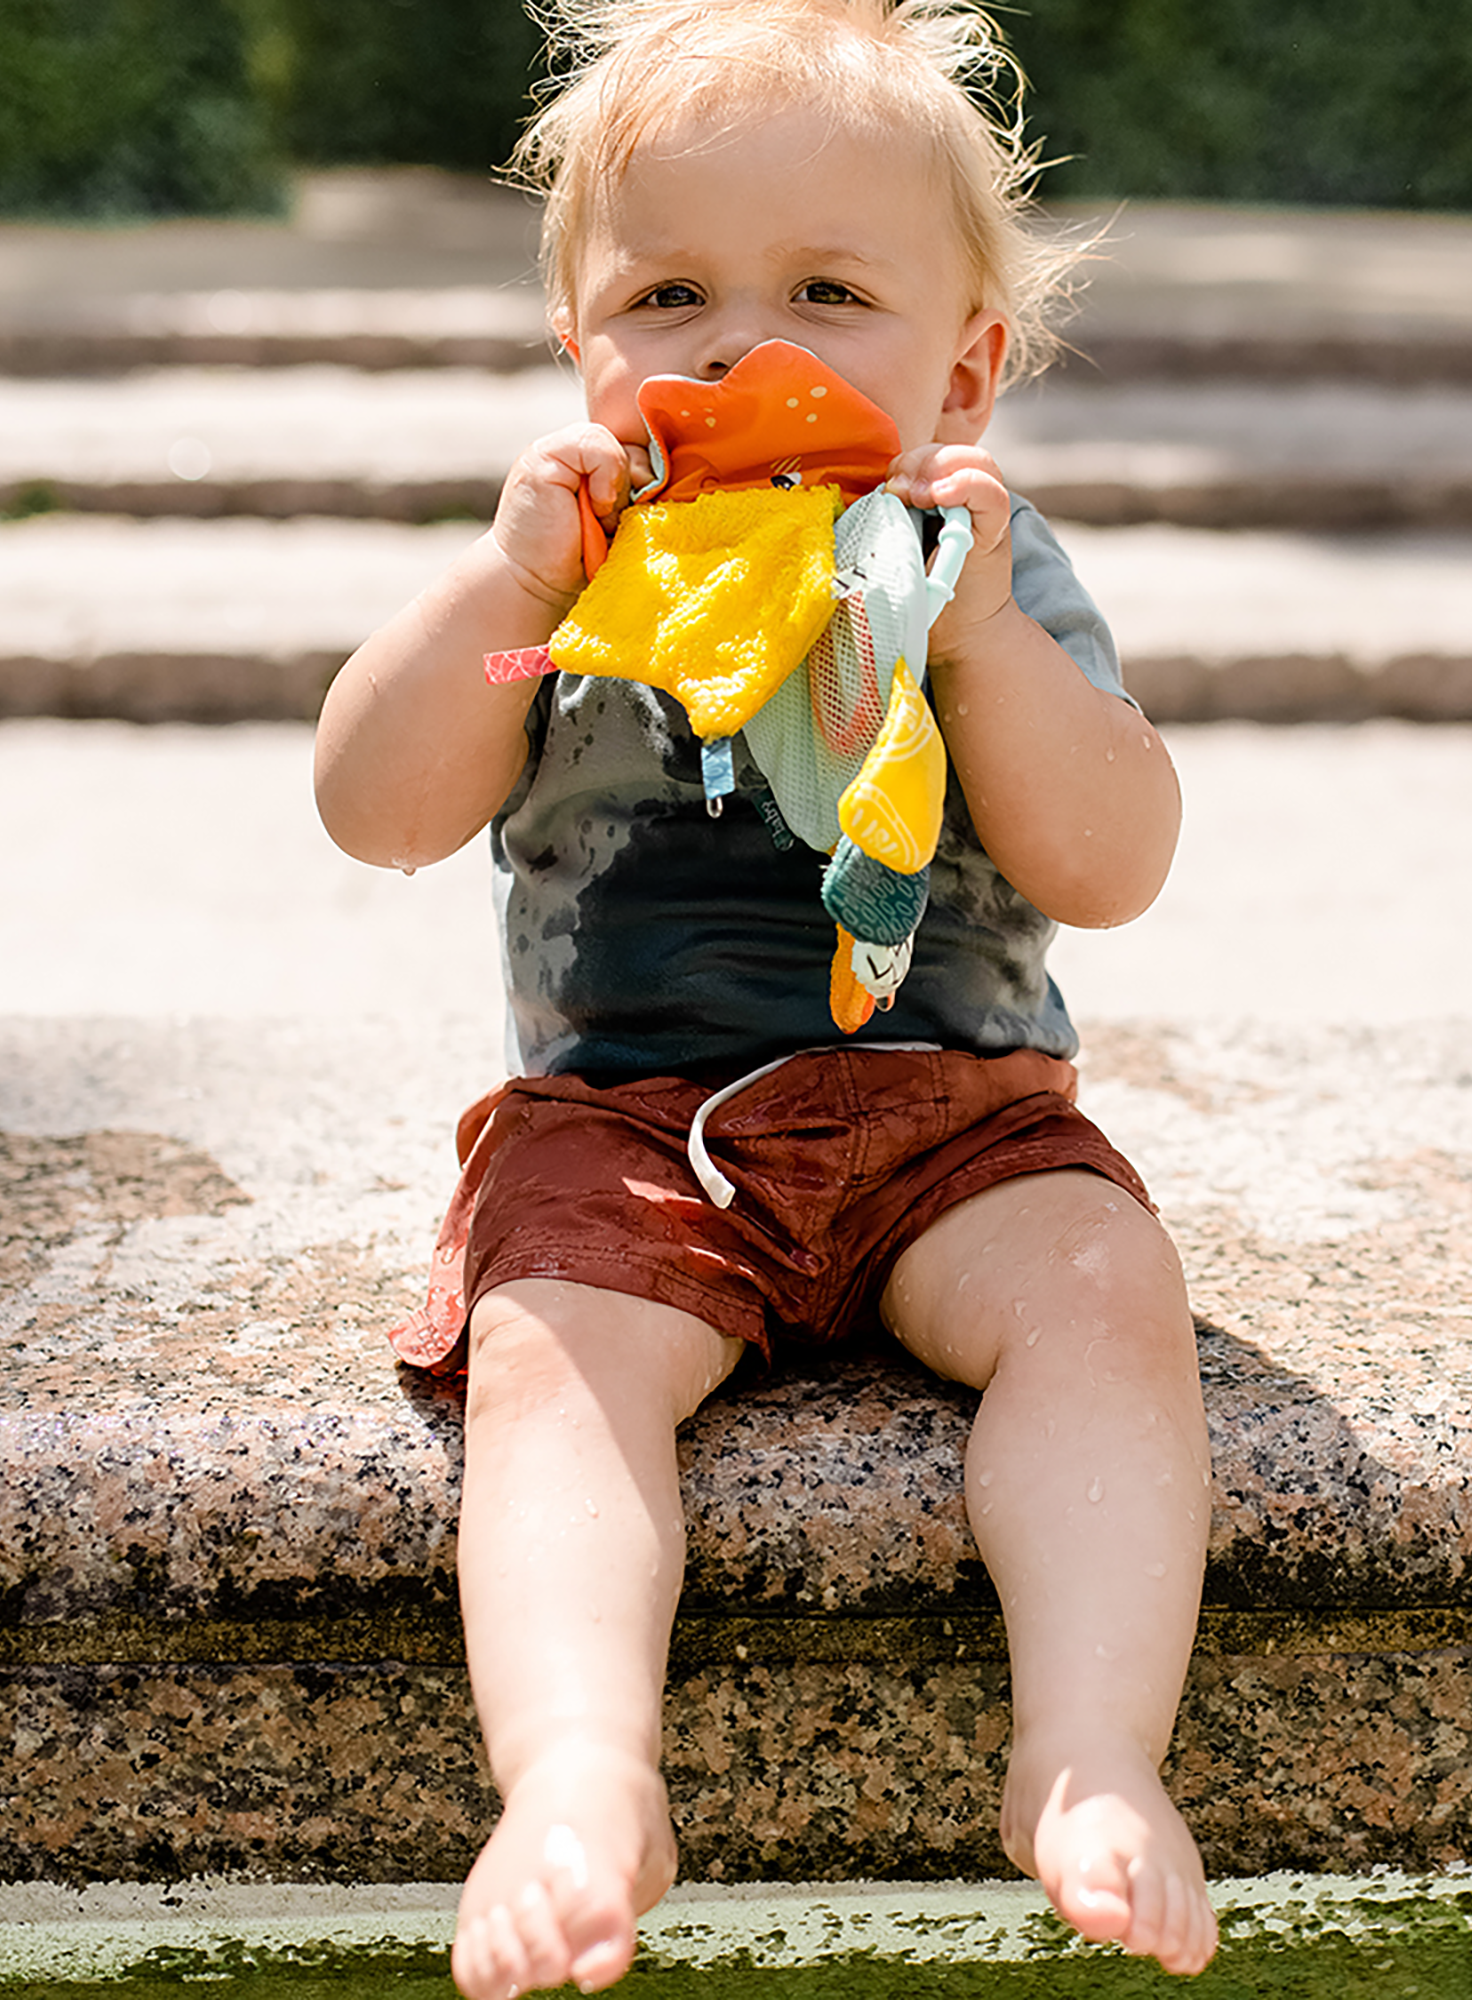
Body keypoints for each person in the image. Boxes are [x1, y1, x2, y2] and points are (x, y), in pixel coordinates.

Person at [313, 0, 1218, 1991]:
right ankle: (573, 1772)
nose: (743, 344)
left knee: (1102, 1297)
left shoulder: (973, 558)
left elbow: (1113, 861)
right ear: (580, 348)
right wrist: (504, 595)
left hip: (950, 1110)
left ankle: (1087, 1754)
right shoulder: (565, 572)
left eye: (828, 289)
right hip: (626, 1119)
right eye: (671, 293)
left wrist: (980, 653)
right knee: (547, 1352)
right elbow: (373, 809)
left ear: (962, 368)